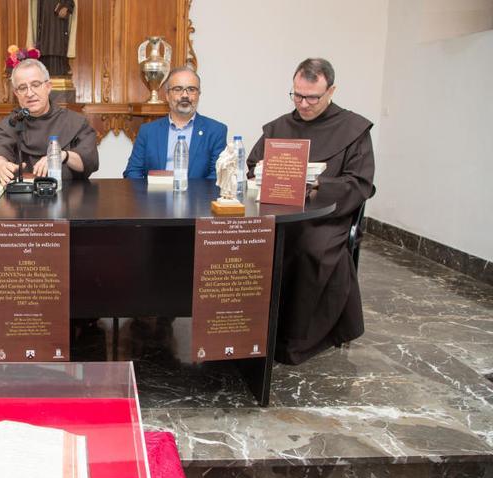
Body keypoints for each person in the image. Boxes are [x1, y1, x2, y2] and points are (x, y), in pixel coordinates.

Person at [247, 58, 375, 365]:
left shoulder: (354, 129)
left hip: (324, 217)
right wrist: (263, 172)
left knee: (307, 247)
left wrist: (316, 186)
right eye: (297, 95)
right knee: (249, 243)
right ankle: (251, 331)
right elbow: (252, 165)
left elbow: (359, 183)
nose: (303, 104)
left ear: (331, 90)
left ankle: (298, 339)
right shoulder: (279, 127)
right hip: (278, 214)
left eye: (312, 97)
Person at [0, 59, 98, 185]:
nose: (29, 93)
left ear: (48, 87)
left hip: (67, 197)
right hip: (21, 200)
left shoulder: (75, 122)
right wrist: (0, 164)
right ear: (16, 93)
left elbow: (89, 161)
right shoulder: (10, 123)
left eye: (35, 85)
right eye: (22, 88)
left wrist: (62, 155)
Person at [123, 67, 227, 180]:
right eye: (178, 89)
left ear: (198, 95)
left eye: (191, 89)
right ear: (167, 95)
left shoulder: (216, 131)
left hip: (198, 197)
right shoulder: (148, 131)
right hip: (155, 196)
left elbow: (217, 176)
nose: (185, 95)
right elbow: (132, 172)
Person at [26, 0, 76, 77]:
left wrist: (67, 5)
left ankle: (61, 68)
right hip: (44, 10)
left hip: (60, 14)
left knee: (58, 39)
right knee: (44, 36)